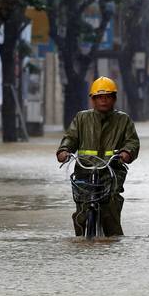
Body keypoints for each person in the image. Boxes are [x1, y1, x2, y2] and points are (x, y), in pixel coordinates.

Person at [56, 77, 139, 237]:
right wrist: (64, 151)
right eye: (99, 97)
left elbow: (132, 142)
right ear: (93, 100)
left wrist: (126, 153)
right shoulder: (82, 118)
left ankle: (114, 243)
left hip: (112, 171)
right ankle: (81, 241)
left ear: (114, 99)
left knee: (110, 208)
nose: (103, 100)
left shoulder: (123, 120)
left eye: (107, 97)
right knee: (82, 213)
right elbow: (70, 138)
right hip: (84, 171)